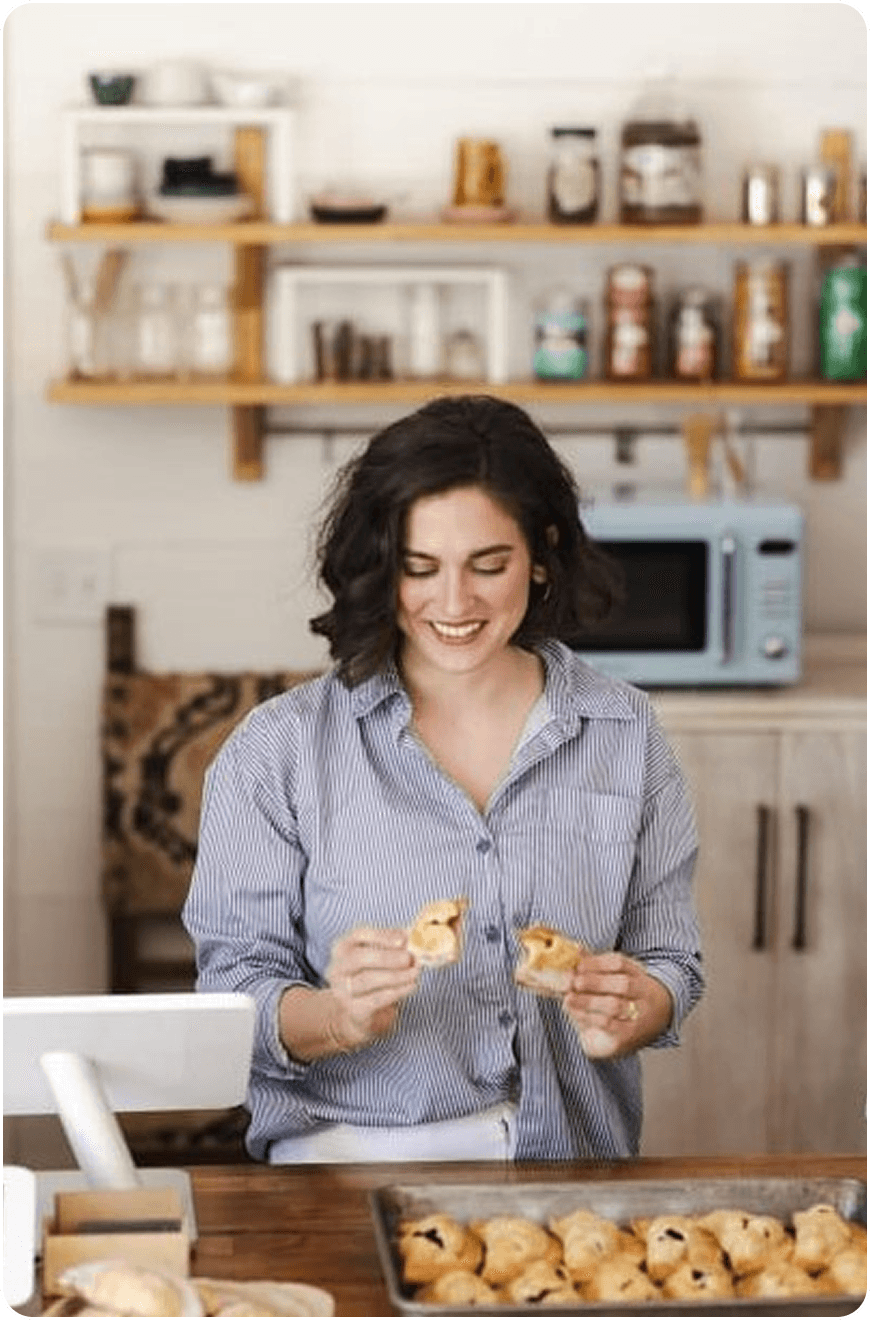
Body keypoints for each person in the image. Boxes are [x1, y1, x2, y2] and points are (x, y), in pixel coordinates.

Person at [182, 394, 703, 1163]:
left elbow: (671, 960)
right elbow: (234, 988)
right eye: (418, 569)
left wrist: (635, 1008)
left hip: (571, 1165)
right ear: (378, 567)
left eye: (488, 565)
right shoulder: (277, 750)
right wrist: (337, 1017)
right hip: (347, 1161)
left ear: (541, 553)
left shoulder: (624, 731)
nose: (454, 603)